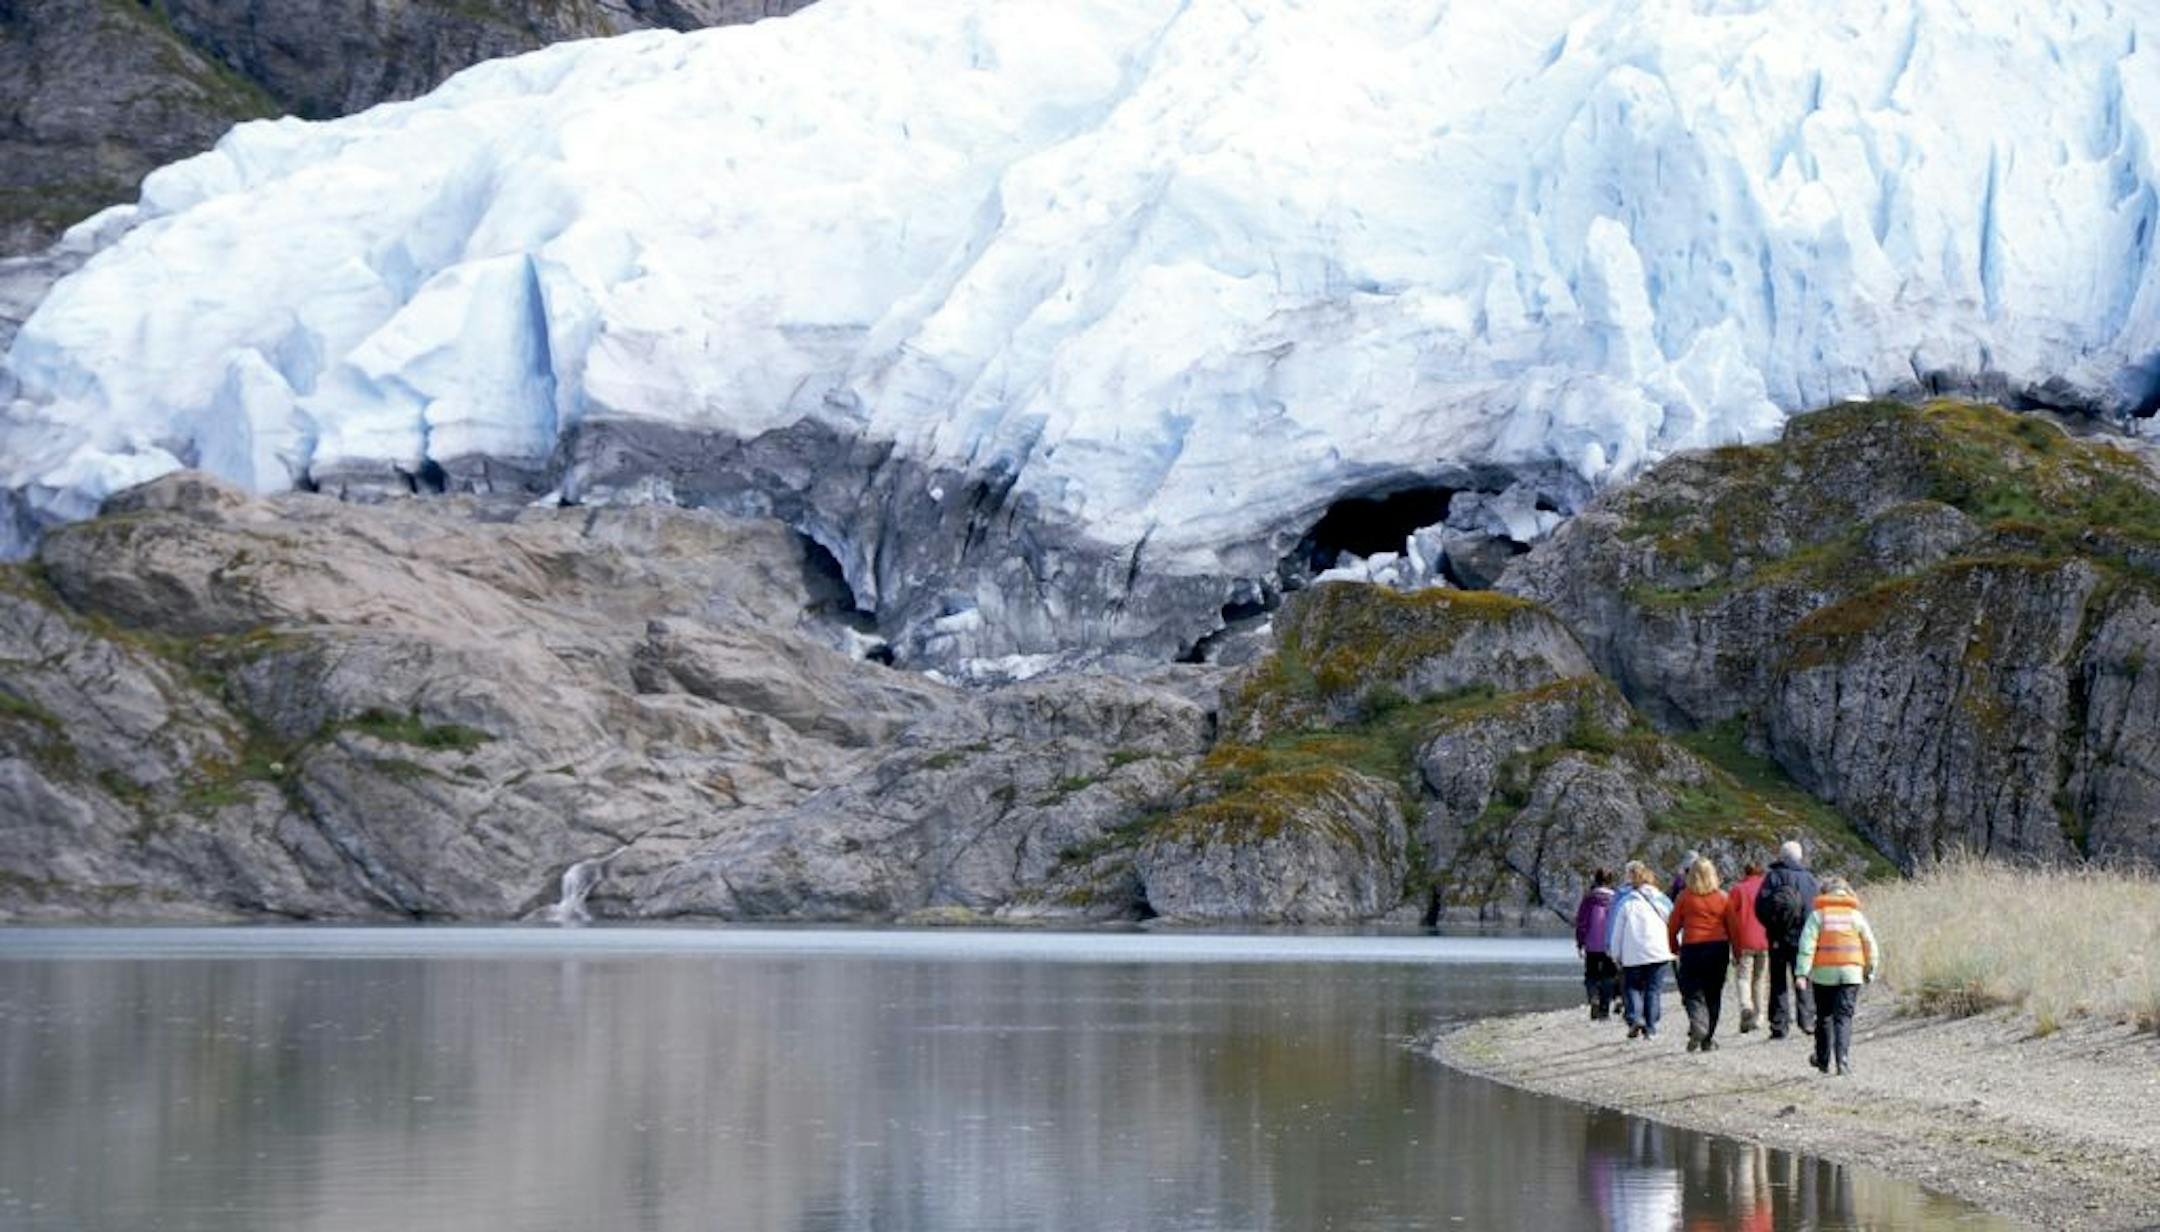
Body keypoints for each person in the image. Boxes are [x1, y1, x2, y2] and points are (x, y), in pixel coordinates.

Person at [1797, 875, 1879, 1076]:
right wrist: (1870, 970)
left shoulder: (1818, 915)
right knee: (1844, 1017)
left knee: (1824, 1016)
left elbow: (1807, 945)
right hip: (1851, 973)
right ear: (1847, 892)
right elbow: (1870, 944)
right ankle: (1842, 1061)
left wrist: (1802, 973)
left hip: (1824, 974)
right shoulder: (1855, 916)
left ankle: (1823, 1061)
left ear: (1824, 893)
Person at [1754, 840, 1819, 1039]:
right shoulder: (1809, 879)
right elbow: (1814, 909)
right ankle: (1807, 1020)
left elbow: (1760, 907)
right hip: (1802, 937)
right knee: (1803, 976)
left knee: (1778, 981)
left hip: (1777, 937)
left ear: (1781, 857)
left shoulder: (1772, 877)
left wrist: (1771, 927)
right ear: (1800, 857)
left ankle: (1779, 1025)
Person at [1604, 860, 1675, 1040]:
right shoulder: (1663, 900)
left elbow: (1617, 932)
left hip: (1632, 954)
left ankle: (1636, 1017)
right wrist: (1678, 947)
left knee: (1632, 988)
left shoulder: (1626, 902)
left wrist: (1615, 954)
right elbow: (1674, 925)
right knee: (1653, 990)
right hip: (1659, 952)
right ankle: (1651, 1028)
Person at [1667, 856, 1731, 1052]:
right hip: (1718, 948)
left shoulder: (1684, 897)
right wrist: (1737, 951)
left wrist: (1673, 947)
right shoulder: (1722, 897)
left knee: (1691, 991)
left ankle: (1697, 1021)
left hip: (1692, 947)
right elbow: (1733, 926)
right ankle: (1708, 1038)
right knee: (1713, 994)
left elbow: (1672, 926)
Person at [1724, 861, 1771, 1033]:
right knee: (1760, 979)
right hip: (1765, 939)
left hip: (1744, 939)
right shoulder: (1767, 888)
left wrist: (1730, 939)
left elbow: (1729, 916)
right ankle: (1759, 1016)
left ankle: (1746, 1005)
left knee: (1744, 977)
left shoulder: (1737, 889)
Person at [1573, 869, 1621, 1020]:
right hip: (1610, 944)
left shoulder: (1589, 899)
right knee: (1609, 975)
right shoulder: (1616, 899)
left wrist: (1580, 942)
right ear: (1610, 881)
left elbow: (1581, 922)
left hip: (1592, 943)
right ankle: (1604, 1010)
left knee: (1591, 974)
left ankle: (1594, 997)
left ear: (1596, 879)